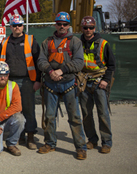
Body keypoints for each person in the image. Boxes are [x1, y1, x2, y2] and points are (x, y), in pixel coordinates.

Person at [37, 11, 87, 160]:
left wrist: (61, 70)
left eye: (65, 24)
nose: (62, 26)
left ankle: (81, 147)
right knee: (50, 116)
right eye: (59, 24)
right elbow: (41, 61)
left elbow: (79, 62)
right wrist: (50, 71)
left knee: (75, 117)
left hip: (69, 83)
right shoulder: (47, 42)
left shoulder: (75, 42)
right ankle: (50, 143)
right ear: (55, 25)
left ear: (69, 26)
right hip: (51, 84)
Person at [0, 14, 41, 150]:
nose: (17, 28)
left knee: (28, 109)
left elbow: (38, 62)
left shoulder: (31, 40)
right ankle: (19, 135)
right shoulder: (4, 42)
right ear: (10, 27)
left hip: (27, 81)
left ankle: (31, 136)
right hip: (9, 82)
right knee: (13, 110)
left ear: (23, 26)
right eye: (14, 25)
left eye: (19, 25)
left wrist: (38, 80)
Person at [78, 16, 115, 154]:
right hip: (84, 82)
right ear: (82, 28)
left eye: (91, 28)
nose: (88, 30)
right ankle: (92, 140)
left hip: (100, 82)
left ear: (95, 28)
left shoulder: (103, 44)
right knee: (86, 114)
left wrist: (106, 80)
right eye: (85, 28)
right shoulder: (77, 43)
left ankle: (106, 142)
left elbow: (111, 65)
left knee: (103, 113)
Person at [0, 61, 25, 156]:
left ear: (8, 75)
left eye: (5, 75)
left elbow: (18, 106)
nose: (3, 78)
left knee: (20, 119)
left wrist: (0, 118)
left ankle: (11, 144)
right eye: (0, 75)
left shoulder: (13, 86)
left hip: (5, 120)